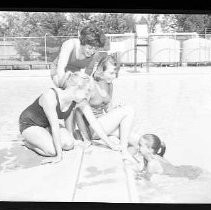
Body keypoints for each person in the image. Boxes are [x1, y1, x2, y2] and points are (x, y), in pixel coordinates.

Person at [19, 72, 121, 164]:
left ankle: (42, 137)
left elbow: (94, 122)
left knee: (69, 144)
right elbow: (55, 127)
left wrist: (110, 144)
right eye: (86, 92)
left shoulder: (79, 100)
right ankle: (28, 143)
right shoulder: (50, 97)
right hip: (30, 124)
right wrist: (59, 156)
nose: (87, 96)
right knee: (52, 151)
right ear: (76, 88)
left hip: (46, 124)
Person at [73, 55, 136, 162]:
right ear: (101, 70)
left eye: (115, 73)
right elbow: (78, 112)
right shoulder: (90, 85)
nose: (114, 76)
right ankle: (124, 151)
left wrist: (116, 110)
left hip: (102, 126)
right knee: (129, 110)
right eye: (111, 73)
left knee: (136, 138)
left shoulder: (109, 85)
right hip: (91, 129)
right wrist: (86, 139)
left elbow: (107, 109)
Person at [51, 24, 107, 88]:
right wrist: (63, 86)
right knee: (67, 88)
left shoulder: (95, 54)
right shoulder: (70, 44)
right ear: (82, 42)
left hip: (75, 72)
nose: (92, 52)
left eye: (95, 48)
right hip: (58, 70)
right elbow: (60, 68)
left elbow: (87, 73)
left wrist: (84, 85)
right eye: (90, 47)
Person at [132, 134, 204, 180]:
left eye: (140, 145)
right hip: (186, 169)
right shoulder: (152, 156)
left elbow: (146, 181)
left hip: (189, 173)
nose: (137, 147)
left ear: (150, 150)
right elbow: (143, 172)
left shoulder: (152, 164)